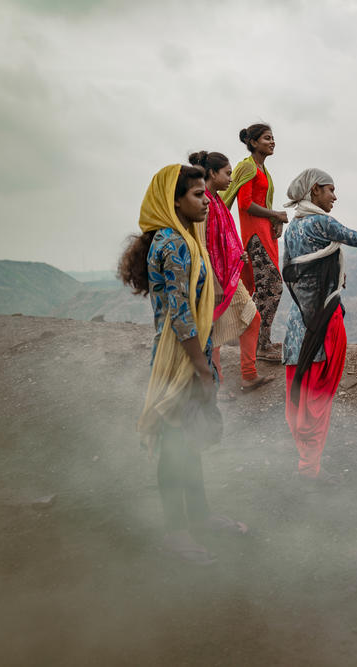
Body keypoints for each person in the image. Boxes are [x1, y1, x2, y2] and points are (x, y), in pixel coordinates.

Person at [118, 164, 247, 565]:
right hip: (181, 355)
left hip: (192, 350)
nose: (206, 200)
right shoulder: (173, 244)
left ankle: (201, 516)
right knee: (175, 444)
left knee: (188, 439)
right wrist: (200, 365)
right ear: (174, 201)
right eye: (197, 195)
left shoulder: (186, 239)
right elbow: (179, 311)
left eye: (206, 193)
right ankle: (176, 533)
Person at [280, 168, 357, 482]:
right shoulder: (321, 222)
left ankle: (305, 461)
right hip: (324, 320)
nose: (334, 197)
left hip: (298, 322)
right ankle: (310, 469)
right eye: (330, 190)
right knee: (319, 396)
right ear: (315, 191)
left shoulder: (293, 228)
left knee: (302, 394)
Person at [188, 150, 272, 394]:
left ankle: (243, 376)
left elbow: (222, 238)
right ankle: (221, 382)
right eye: (227, 173)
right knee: (215, 328)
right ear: (212, 173)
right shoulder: (203, 202)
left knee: (238, 321)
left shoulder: (214, 201)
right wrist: (212, 280)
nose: (231, 178)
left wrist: (236, 254)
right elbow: (203, 244)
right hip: (215, 279)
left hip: (227, 273)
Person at [220, 123, 288, 362]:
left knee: (264, 287)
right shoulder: (248, 167)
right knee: (272, 287)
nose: (272, 142)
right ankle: (259, 343)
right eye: (267, 138)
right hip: (254, 236)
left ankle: (259, 340)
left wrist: (274, 220)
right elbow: (245, 204)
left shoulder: (262, 170)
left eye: (273, 138)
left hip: (262, 233)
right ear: (254, 143)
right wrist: (275, 215)